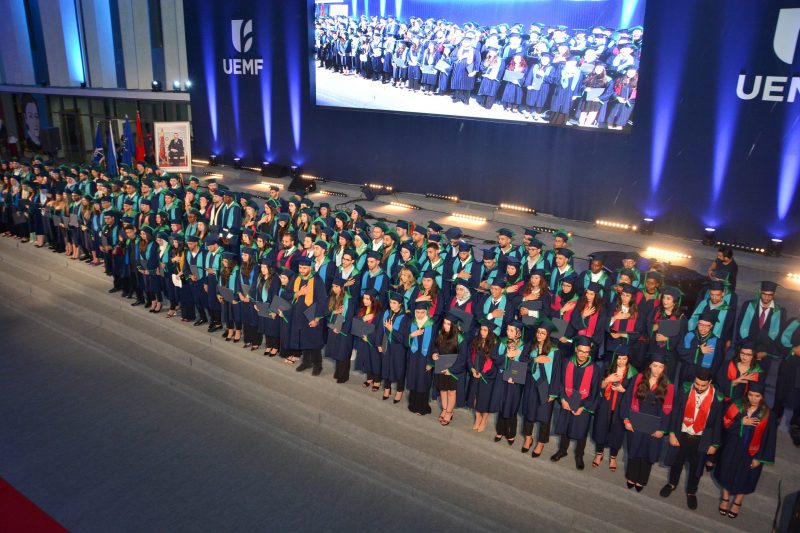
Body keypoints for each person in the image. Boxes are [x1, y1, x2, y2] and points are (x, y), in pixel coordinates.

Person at [660, 367, 724, 510]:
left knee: (696, 467)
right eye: (697, 384)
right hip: (683, 433)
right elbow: (675, 412)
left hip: (701, 437)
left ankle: (691, 491)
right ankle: (672, 483)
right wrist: (672, 433)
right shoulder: (685, 389)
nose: (699, 388)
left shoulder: (717, 397)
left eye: (703, 385)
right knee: (677, 462)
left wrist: (714, 444)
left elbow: (718, 423)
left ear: (710, 382)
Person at [713, 380, 776, 519]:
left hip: (752, 451)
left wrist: (759, 458)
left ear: (762, 396)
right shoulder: (737, 406)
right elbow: (726, 424)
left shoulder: (767, 415)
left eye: (757, 396)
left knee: (745, 475)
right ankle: (725, 497)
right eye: (750, 395)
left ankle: (738, 500)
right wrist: (742, 422)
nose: (753, 399)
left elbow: (770, 439)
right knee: (727, 470)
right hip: (733, 446)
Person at [620, 352, 674, 492]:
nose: (657, 370)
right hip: (636, 421)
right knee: (634, 449)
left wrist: (662, 429)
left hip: (654, 426)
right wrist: (626, 420)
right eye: (655, 366)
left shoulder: (668, 386)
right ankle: (631, 476)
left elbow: (668, 411)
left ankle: (642, 479)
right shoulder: (638, 378)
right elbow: (627, 399)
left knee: (648, 452)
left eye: (660, 367)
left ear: (664, 368)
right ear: (650, 365)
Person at [551, 335, 601, 469]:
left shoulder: (595, 369)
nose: (583, 355)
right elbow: (560, 382)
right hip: (567, 401)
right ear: (575, 349)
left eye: (586, 352)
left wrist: (584, 407)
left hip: (583, 404)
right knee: (565, 428)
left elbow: (595, 391)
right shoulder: (566, 362)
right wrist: (562, 399)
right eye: (581, 351)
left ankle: (579, 455)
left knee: (581, 431)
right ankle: (562, 450)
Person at [592, 345, 637, 472]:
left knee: (617, 432)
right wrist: (608, 379)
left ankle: (613, 457)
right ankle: (599, 453)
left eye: (624, 358)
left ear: (628, 359)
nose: (621, 361)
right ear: (615, 358)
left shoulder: (633, 373)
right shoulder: (607, 367)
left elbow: (636, 394)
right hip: (605, 405)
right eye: (619, 358)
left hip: (620, 406)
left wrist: (624, 390)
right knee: (601, 428)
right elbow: (599, 386)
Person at [521, 319, 559, 458]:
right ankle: (528, 438)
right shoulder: (531, 346)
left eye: (543, 333)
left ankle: (541, 442)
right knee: (529, 413)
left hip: (546, 386)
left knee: (544, 417)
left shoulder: (555, 351)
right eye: (538, 332)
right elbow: (522, 362)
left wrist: (553, 393)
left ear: (548, 335)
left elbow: (557, 373)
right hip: (531, 384)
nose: (539, 335)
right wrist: (535, 360)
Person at [288, 256, 328, 375]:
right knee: (303, 339)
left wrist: (317, 318)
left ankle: (318, 365)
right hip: (298, 315)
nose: (301, 270)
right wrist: (298, 293)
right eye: (300, 267)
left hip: (312, 314)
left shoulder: (317, 280)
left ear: (310, 268)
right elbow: (286, 294)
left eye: (304, 268)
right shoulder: (296, 278)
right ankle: (306, 362)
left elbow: (322, 301)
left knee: (313, 341)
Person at [491, 321, 529, 445]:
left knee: (512, 406)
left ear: (518, 333)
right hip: (502, 377)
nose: (508, 332)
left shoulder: (524, 346)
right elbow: (494, 357)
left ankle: (511, 433)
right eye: (507, 329)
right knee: (502, 404)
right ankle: (500, 430)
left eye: (511, 330)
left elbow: (526, 363)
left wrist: (515, 376)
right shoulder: (502, 342)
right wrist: (507, 355)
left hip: (515, 381)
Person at [432, 313, 467, 426]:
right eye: (444, 323)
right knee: (442, 390)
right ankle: (444, 408)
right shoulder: (441, 333)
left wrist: (451, 370)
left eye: (448, 324)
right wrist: (435, 353)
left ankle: (449, 412)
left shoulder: (460, 339)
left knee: (451, 392)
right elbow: (436, 347)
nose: (445, 326)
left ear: (454, 326)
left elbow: (462, 359)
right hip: (442, 366)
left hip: (453, 370)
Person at [468, 319, 499, 432]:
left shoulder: (495, 344)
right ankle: (478, 418)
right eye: (481, 329)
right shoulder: (476, 340)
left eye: (485, 330)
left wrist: (484, 373)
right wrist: (472, 369)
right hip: (475, 372)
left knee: (485, 399)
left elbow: (495, 363)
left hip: (488, 376)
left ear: (490, 331)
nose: (482, 332)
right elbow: (469, 356)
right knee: (475, 397)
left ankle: (484, 419)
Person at [406, 300, 436, 415]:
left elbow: (435, 345)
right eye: (417, 312)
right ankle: (413, 405)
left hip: (425, 358)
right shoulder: (411, 323)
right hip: (413, 357)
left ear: (426, 312)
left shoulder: (431, 325)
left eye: (422, 312)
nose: (419, 315)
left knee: (423, 381)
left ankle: (422, 407)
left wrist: (430, 362)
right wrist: (411, 335)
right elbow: (404, 338)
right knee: (414, 379)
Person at [380, 291, 409, 401]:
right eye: (391, 302)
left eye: (394, 303)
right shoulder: (387, 312)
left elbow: (403, 337)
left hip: (398, 348)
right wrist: (379, 343)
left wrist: (391, 329)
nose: (391, 305)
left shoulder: (405, 317)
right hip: (386, 344)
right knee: (386, 366)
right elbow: (381, 329)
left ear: (400, 304)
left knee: (399, 369)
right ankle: (387, 388)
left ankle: (399, 391)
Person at [776, 320, 800, 446]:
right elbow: (781, 341)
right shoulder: (794, 323)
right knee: (781, 394)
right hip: (790, 366)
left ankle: (796, 430)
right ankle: (774, 420)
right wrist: (793, 350)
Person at [354, 288, 383, 390]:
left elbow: (380, 329)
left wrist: (369, 338)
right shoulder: (362, 309)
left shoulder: (379, 313)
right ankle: (370, 378)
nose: (364, 301)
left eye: (367, 299)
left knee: (375, 360)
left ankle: (377, 380)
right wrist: (363, 319)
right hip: (363, 339)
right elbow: (355, 322)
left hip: (373, 341)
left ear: (373, 300)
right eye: (364, 298)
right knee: (367, 359)